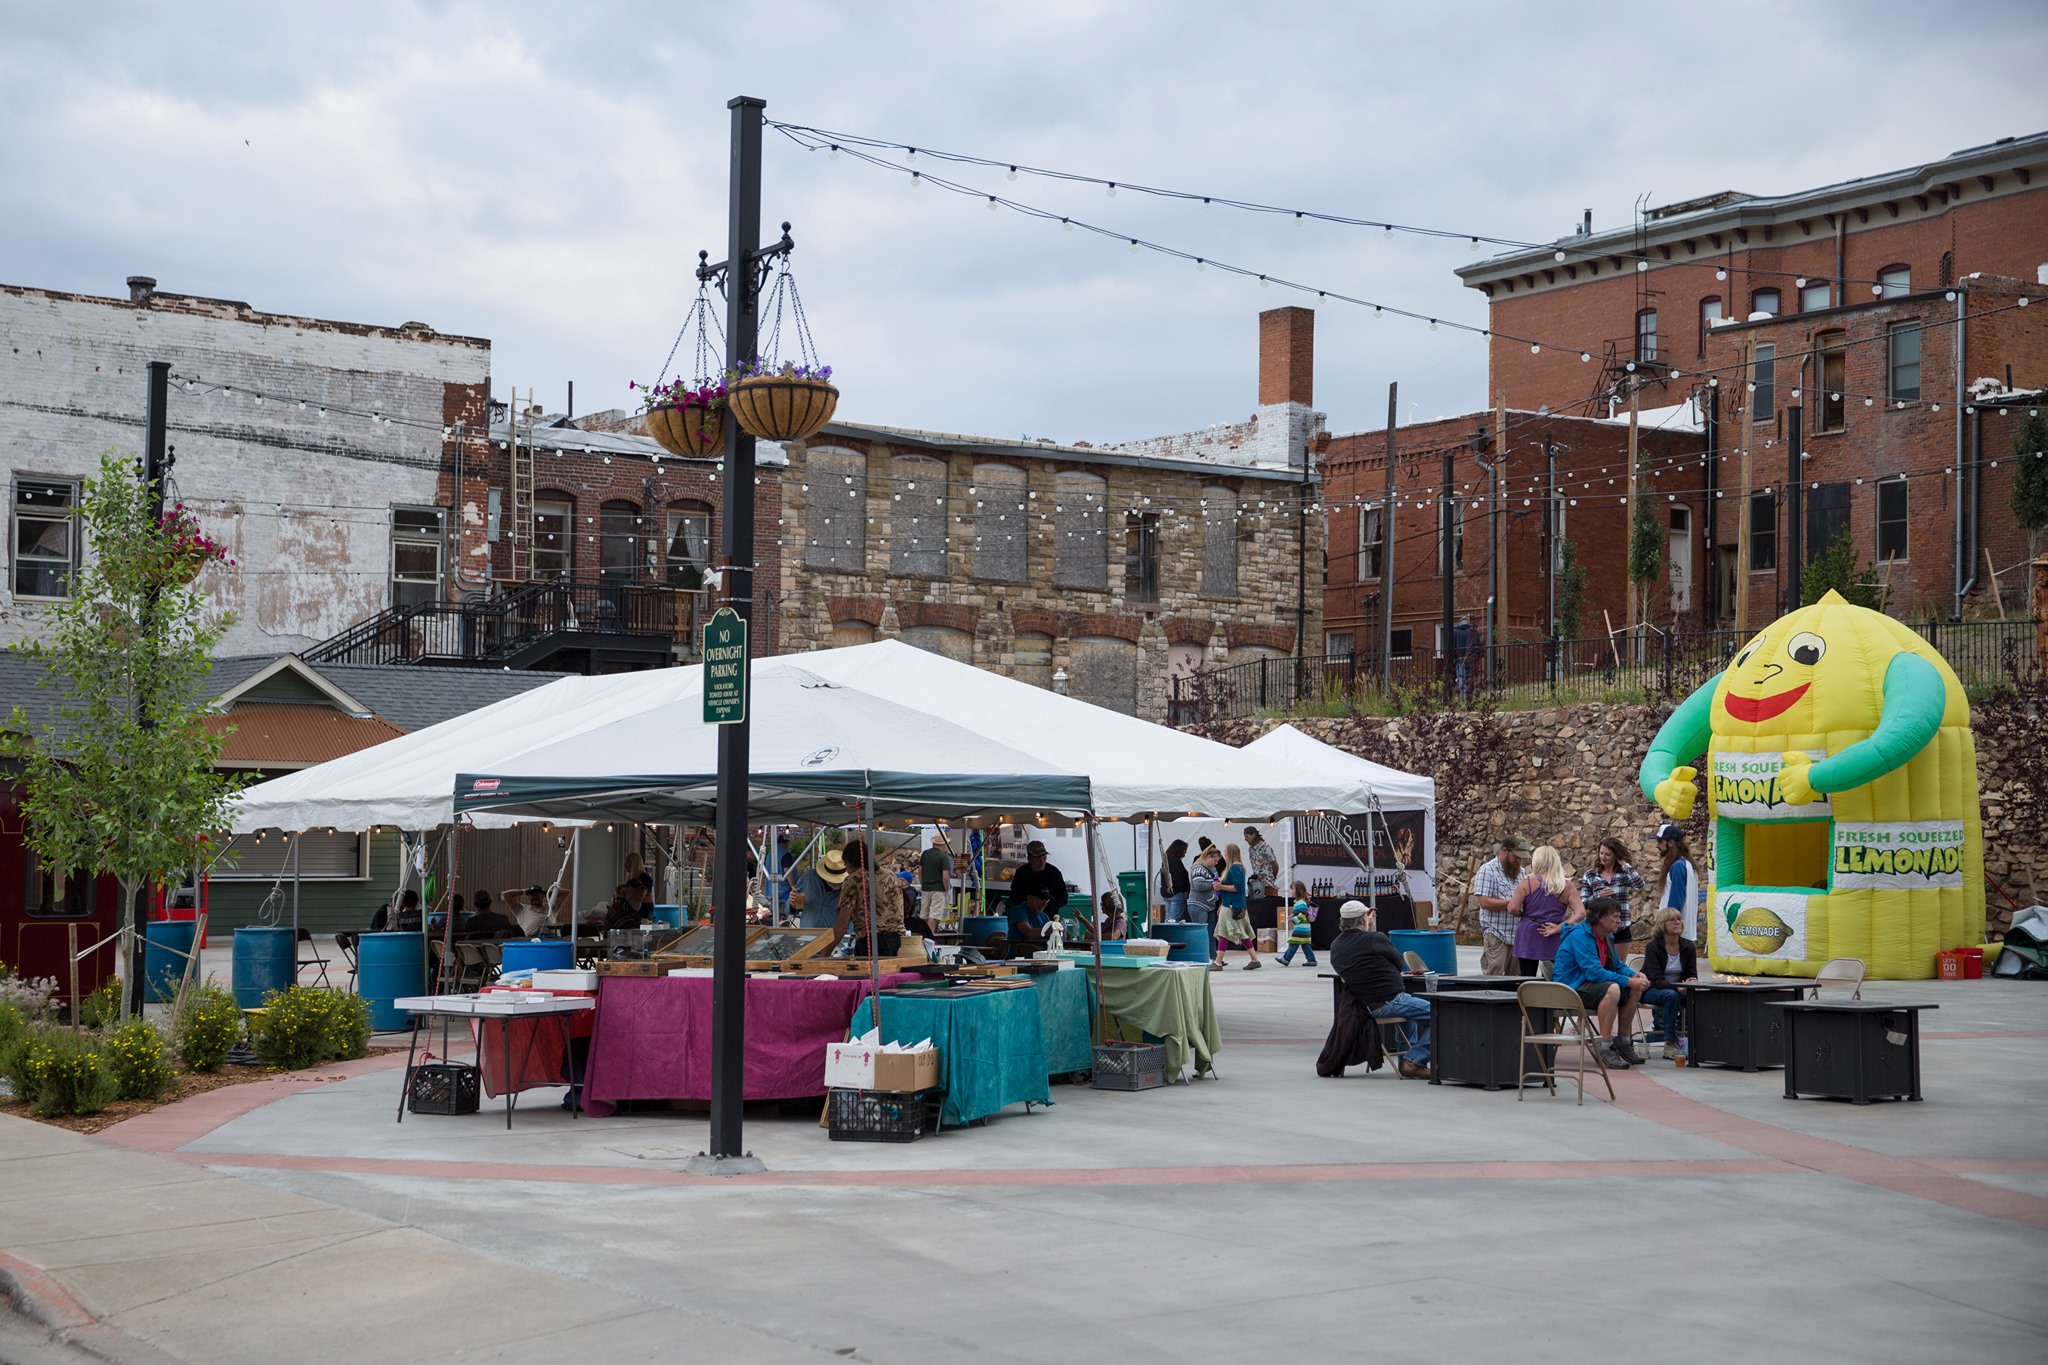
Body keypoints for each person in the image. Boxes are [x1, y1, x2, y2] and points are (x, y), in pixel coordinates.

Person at [1330, 900, 1431, 1079]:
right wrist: (1370, 927)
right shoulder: (1375, 938)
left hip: (1367, 1005)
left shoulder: (1336, 946)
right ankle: (1414, 1060)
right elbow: (1399, 962)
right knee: (1441, 1014)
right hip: (1390, 1000)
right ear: (1363, 920)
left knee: (1410, 1012)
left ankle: (1407, 1061)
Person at [1551, 897, 1650, 1069]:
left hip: (1589, 986)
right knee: (1613, 989)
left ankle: (1624, 1041)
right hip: (1571, 989)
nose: (1619, 920)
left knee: (1634, 989)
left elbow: (1617, 965)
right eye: (1614, 916)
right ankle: (1605, 1046)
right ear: (1599, 917)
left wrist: (1635, 976)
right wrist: (1629, 981)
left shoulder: (1607, 936)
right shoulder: (1580, 936)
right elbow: (1594, 972)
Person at [1507, 845, 1584, 978]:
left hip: (1529, 932)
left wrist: (1522, 914)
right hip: (1554, 933)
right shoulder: (1566, 885)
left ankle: (1528, 998)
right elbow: (1581, 913)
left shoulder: (1527, 882)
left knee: (1527, 977)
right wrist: (1560, 927)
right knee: (1553, 976)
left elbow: (1512, 908)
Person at [1640, 906, 1698, 1059]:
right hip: (1652, 989)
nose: (1677, 922)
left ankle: (1696, 1040)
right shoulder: (1653, 947)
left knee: (1700, 997)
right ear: (1662, 925)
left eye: (1679, 919)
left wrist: (1690, 983)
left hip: (1678, 989)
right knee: (1670, 996)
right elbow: (1655, 980)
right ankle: (1670, 1042)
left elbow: (1692, 974)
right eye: (1672, 920)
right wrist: (1678, 987)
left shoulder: (1688, 946)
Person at [1472, 834, 1533, 976]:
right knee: (1493, 978)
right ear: (1504, 851)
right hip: (1496, 933)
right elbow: (1484, 902)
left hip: (1517, 935)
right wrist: (1512, 903)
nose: (1518, 861)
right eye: (1515, 857)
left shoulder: (1521, 872)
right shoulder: (1487, 870)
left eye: (1521, 858)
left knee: (1515, 980)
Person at [835, 838, 903, 957]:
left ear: (850, 863)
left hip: (871, 941)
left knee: (871, 975)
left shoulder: (854, 879)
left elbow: (842, 923)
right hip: (898, 940)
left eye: (846, 865)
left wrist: (824, 954)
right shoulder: (891, 876)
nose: (846, 870)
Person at [1578, 837, 1647, 953]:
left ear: (1616, 855)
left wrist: (1625, 864)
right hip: (1598, 929)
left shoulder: (1624, 873)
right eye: (1601, 853)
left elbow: (1640, 885)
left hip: (1621, 927)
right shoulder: (1591, 875)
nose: (1603, 857)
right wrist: (1598, 896)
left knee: (1619, 968)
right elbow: (1582, 903)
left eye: (1608, 854)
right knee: (1600, 966)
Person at [1214, 843, 1261, 969]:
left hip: (1231, 906)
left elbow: (1238, 887)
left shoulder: (1234, 868)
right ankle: (1255, 960)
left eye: (1225, 850)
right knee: (1241, 933)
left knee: (1223, 933)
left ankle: (1218, 962)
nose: (1224, 853)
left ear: (1230, 853)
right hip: (1232, 905)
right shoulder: (1238, 867)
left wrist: (1220, 886)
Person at [1654, 822, 1702, 943]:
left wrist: (1667, 929)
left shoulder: (1678, 867)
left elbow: (1675, 902)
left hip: (1675, 935)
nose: (1656, 845)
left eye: (1660, 841)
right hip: (1682, 933)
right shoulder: (1687, 864)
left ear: (1670, 843)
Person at [1006, 840, 1069, 919]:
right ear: (1030, 859)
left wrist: (1046, 907)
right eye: (1039, 859)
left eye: (1044, 858)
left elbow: (1063, 898)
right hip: (1026, 916)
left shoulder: (1054, 873)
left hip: (1048, 917)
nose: (1042, 862)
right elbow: (1014, 895)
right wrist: (1027, 907)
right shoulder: (1021, 873)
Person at [1187, 845, 1223, 971]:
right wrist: (1214, 885)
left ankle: (1214, 957)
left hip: (1210, 905)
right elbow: (1198, 885)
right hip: (1198, 904)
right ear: (1209, 857)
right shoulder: (1198, 869)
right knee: (1200, 932)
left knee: (1211, 932)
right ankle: (1199, 957)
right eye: (1215, 860)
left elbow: (1216, 881)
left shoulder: (1212, 869)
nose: (1216, 863)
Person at [792, 848, 847, 930]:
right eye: (833, 880)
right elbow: (795, 908)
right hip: (808, 935)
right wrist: (793, 902)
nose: (836, 883)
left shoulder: (849, 886)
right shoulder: (809, 878)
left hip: (835, 938)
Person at [1276, 881, 1318, 967]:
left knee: (1294, 942)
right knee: (1305, 944)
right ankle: (1311, 960)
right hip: (1305, 927)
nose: (1291, 891)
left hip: (1300, 927)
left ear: (1298, 890)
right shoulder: (1300, 901)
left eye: (1292, 889)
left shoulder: (1300, 902)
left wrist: (1294, 920)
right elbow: (1299, 912)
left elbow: (1303, 914)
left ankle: (1286, 959)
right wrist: (1292, 915)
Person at [918, 833, 954, 926]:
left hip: (926, 888)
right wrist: (946, 889)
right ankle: (929, 938)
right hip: (938, 889)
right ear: (943, 844)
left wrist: (923, 884)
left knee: (924, 915)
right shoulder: (943, 857)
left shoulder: (925, 853)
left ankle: (923, 936)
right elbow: (945, 875)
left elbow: (920, 871)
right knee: (934, 915)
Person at [1242, 826, 1281, 902]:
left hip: (1267, 883)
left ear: (1253, 835)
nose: (1245, 839)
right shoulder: (1251, 849)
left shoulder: (1265, 847)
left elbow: (1275, 865)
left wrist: (1272, 879)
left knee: (1267, 904)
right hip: (1256, 883)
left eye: (1247, 836)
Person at [1158, 839, 1192, 922]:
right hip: (1176, 893)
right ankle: (1172, 935)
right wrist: (1185, 890)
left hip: (1166, 892)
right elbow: (1179, 879)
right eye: (1185, 850)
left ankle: (1165, 934)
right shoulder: (1176, 861)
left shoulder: (1165, 860)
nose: (1185, 853)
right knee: (1175, 919)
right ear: (1180, 850)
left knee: (1168, 917)